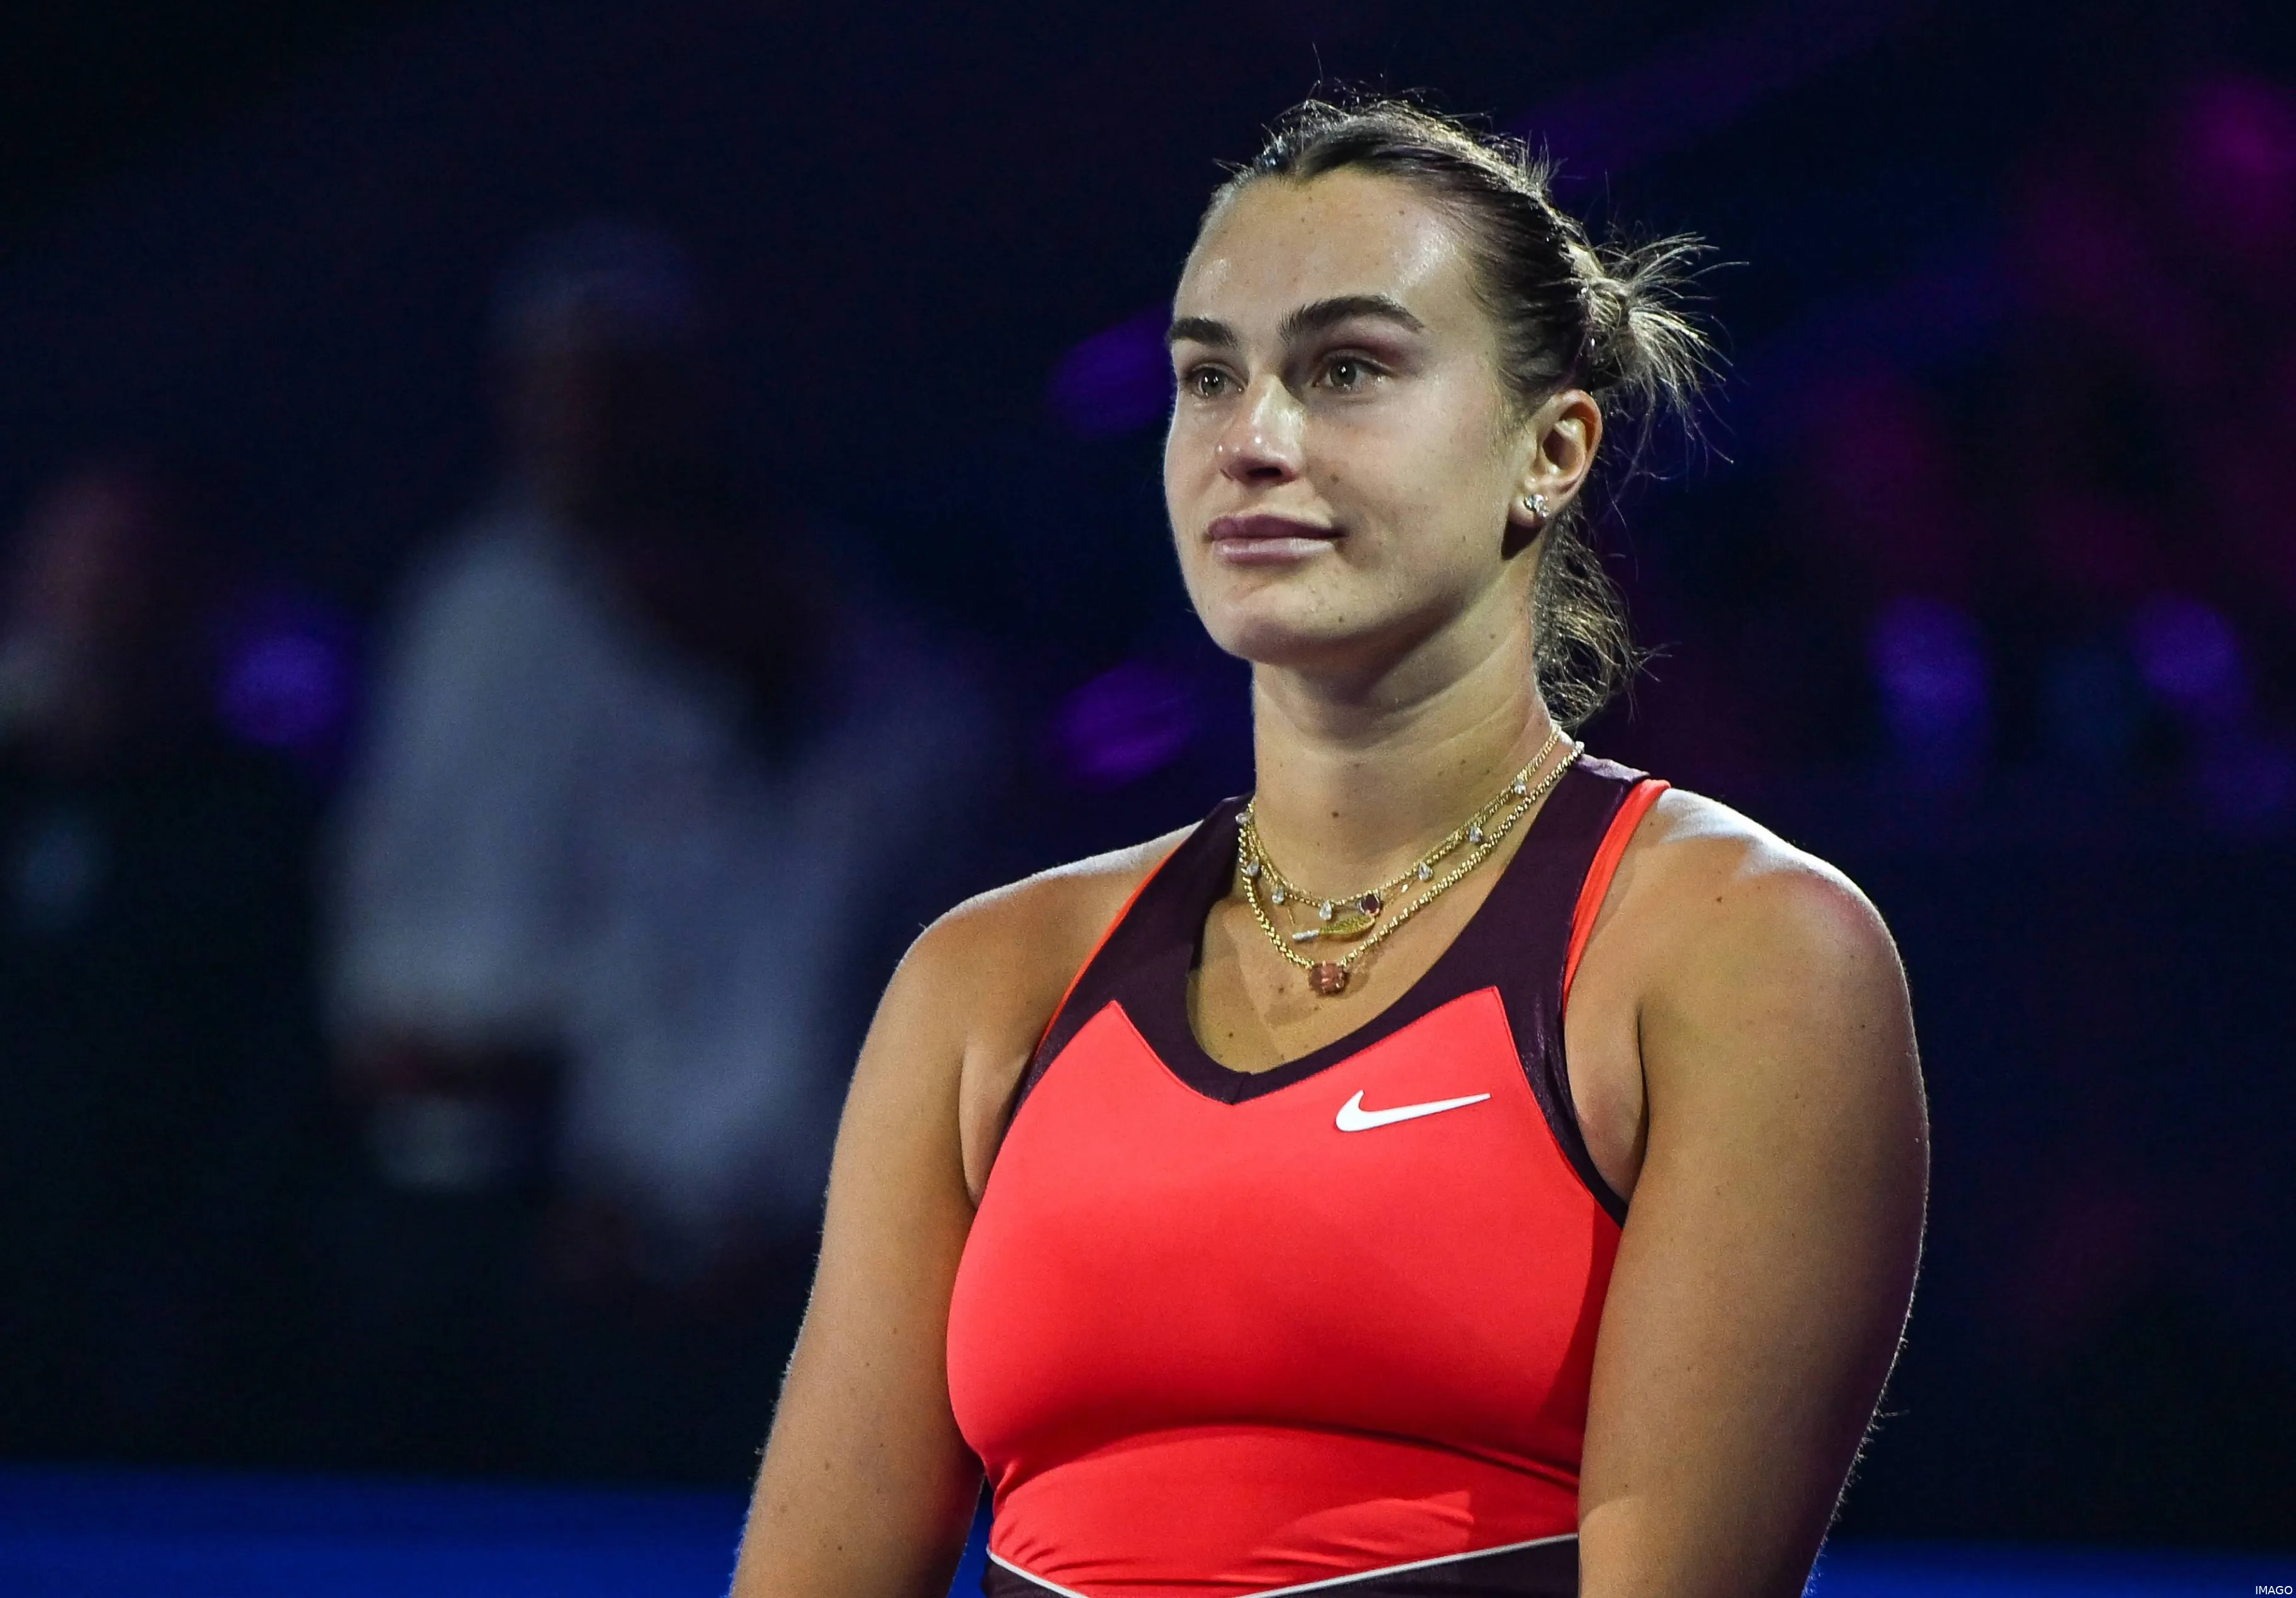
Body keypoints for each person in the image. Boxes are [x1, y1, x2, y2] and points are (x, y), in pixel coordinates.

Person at [734, 98, 1927, 1597]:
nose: (1252, 441)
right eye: (1205, 377)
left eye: (1345, 369)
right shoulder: (990, 979)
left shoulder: (1739, 953)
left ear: (1550, 448)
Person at [326, 224, 995, 1476]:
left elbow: (885, 1020)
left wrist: (804, 1217)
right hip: (590, 1225)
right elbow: (635, 976)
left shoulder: (918, 741)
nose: (659, 645)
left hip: (828, 1251)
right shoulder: (506, 625)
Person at [0, 460, 321, 1463]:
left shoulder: (252, 821)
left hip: (141, 1276)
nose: (100, 598)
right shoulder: (16, 788)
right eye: (78, 565)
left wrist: (196, 1271)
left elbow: (269, 1067)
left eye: (131, 567)